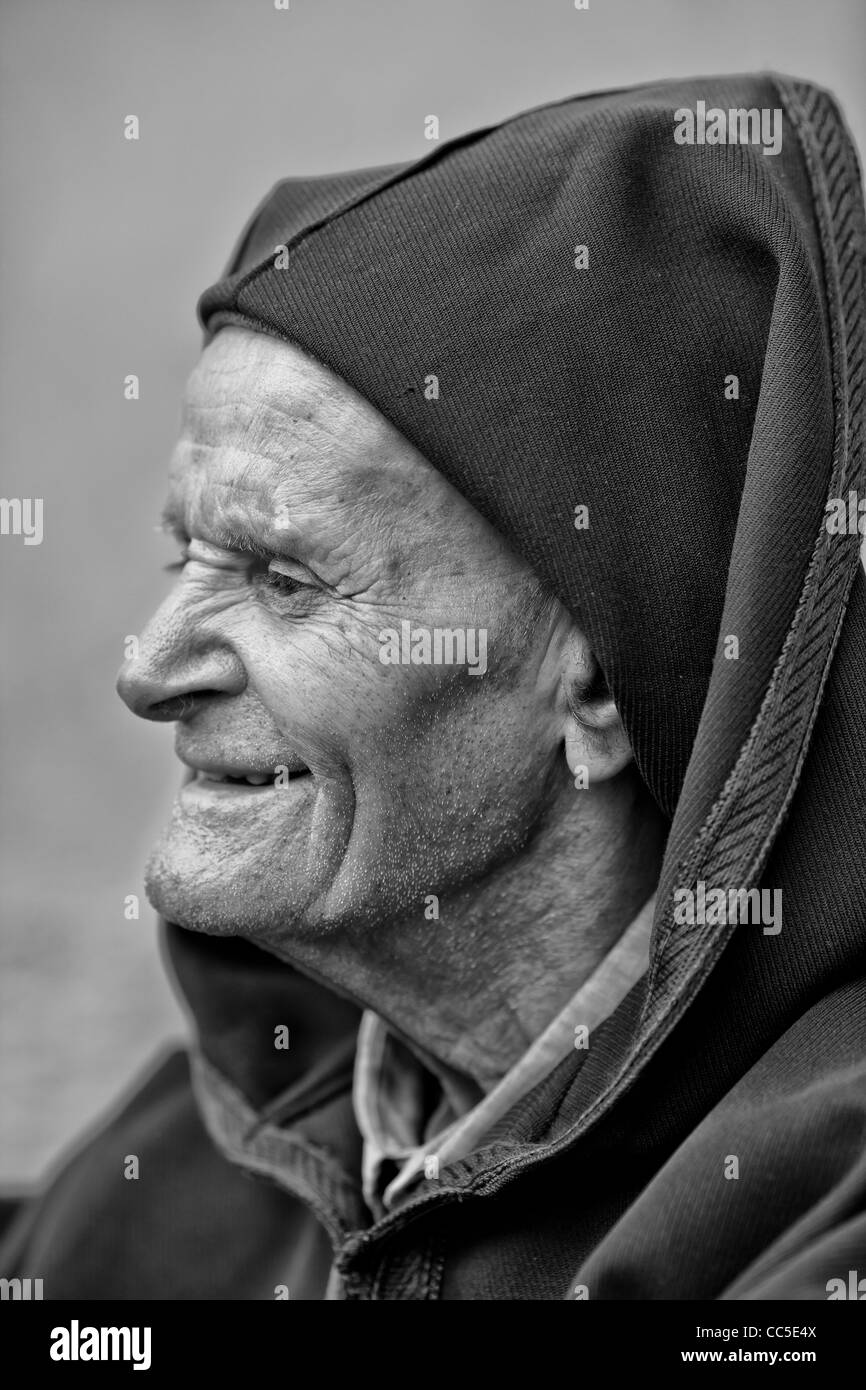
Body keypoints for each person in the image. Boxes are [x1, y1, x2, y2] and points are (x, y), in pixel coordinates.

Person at [2, 71, 864, 1301]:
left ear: (598, 692)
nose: (145, 667)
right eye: (180, 554)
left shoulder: (813, 1216)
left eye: (286, 578)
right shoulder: (180, 1175)